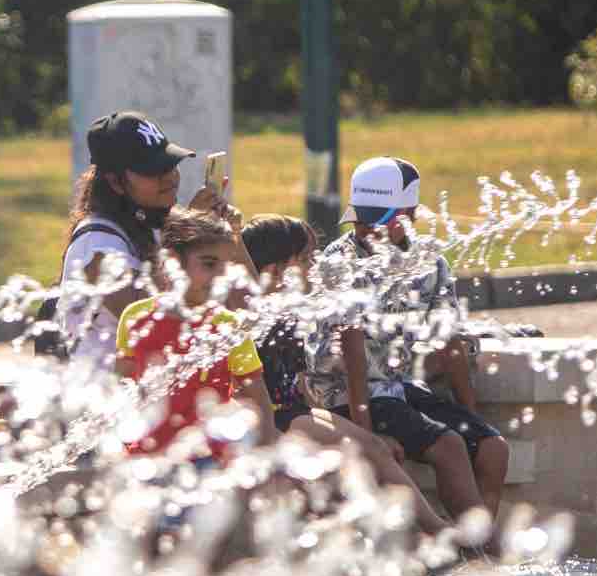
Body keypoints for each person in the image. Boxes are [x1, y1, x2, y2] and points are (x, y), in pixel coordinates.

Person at [309, 157, 511, 527]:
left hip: (397, 387)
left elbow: (450, 341)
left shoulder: (429, 262)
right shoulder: (338, 263)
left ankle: (474, 543)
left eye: (381, 219)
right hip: (345, 396)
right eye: (362, 217)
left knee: (493, 450)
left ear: (410, 214)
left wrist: (472, 416)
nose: (369, 228)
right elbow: (345, 355)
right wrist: (367, 438)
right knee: (449, 446)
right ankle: (480, 553)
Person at [239, 215, 450, 536]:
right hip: (272, 419)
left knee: (373, 448)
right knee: (344, 463)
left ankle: (430, 531)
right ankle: (432, 532)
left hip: (295, 413)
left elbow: (299, 381)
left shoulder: (290, 314)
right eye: (307, 259)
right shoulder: (252, 316)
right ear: (274, 270)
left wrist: (344, 424)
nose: (316, 266)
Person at [53, 111, 234, 368]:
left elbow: (237, 310)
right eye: (153, 171)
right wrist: (192, 241)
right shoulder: (96, 246)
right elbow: (153, 321)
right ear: (115, 182)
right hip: (103, 398)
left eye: (171, 165)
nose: (170, 177)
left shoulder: (152, 222)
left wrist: (228, 239)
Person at [115, 209, 274, 461]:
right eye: (209, 264)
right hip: (145, 457)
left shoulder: (229, 326)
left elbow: (259, 401)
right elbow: (123, 386)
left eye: (226, 266)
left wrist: (268, 458)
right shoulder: (136, 317)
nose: (220, 277)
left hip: (207, 459)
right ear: (172, 262)